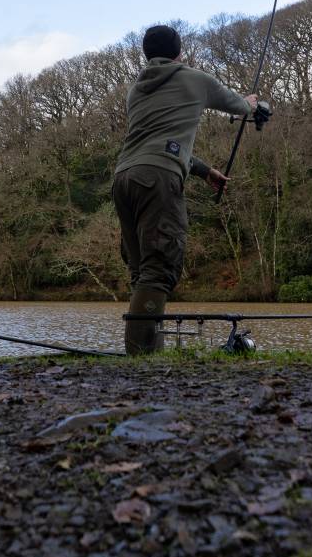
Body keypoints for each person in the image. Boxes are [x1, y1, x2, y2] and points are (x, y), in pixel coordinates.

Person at [113, 23, 270, 354]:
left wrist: (201, 170)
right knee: (160, 265)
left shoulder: (135, 91)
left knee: (141, 269)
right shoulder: (194, 79)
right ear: (179, 52)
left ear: (147, 54)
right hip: (158, 178)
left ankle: (144, 353)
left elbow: (157, 141)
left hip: (124, 177)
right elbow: (239, 106)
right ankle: (141, 358)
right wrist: (252, 103)